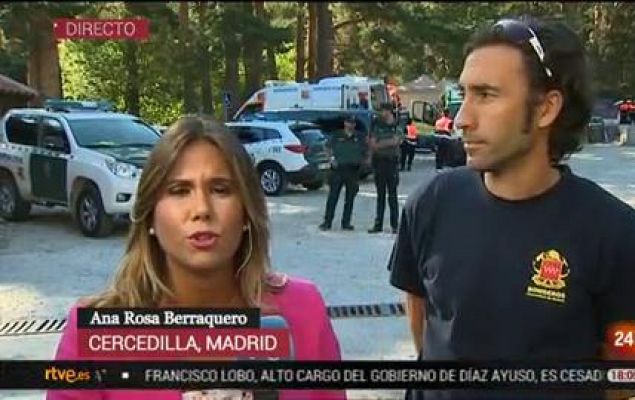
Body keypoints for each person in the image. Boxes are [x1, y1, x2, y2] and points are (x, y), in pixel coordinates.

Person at [388, 16, 635, 400]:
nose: (462, 119)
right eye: (464, 95)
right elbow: (421, 311)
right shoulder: (431, 202)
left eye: (486, 95)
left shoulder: (614, 230)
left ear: (545, 108)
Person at [47, 116, 345, 400]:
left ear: (246, 212)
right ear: (150, 215)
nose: (201, 209)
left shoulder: (304, 310)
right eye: (179, 190)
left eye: (220, 189)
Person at [319, 115, 368, 231]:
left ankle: (346, 223)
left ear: (354, 125)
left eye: (352, 123)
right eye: (348, 122)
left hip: (353, 170)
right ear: (345, 123)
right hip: (338, 169)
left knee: (350, 198)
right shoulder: (337, 135)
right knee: (333, 197)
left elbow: (366, 149)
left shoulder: (359, 137)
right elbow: (326, 147)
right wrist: (331, 159)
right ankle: (327, 222)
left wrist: (364, 162)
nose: (350, 125)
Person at [368, 103, 402, 233]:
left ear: (389, 111)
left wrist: (380, 143)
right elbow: (373, 144)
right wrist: (386, 143)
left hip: (392, 163)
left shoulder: (397, 125)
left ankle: (395, 225)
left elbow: (396, 140)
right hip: (379, 162)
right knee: (380, 195)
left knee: (392, 195)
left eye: (383, 111)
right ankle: (378, 224)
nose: (381, 113)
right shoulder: (377, 124)